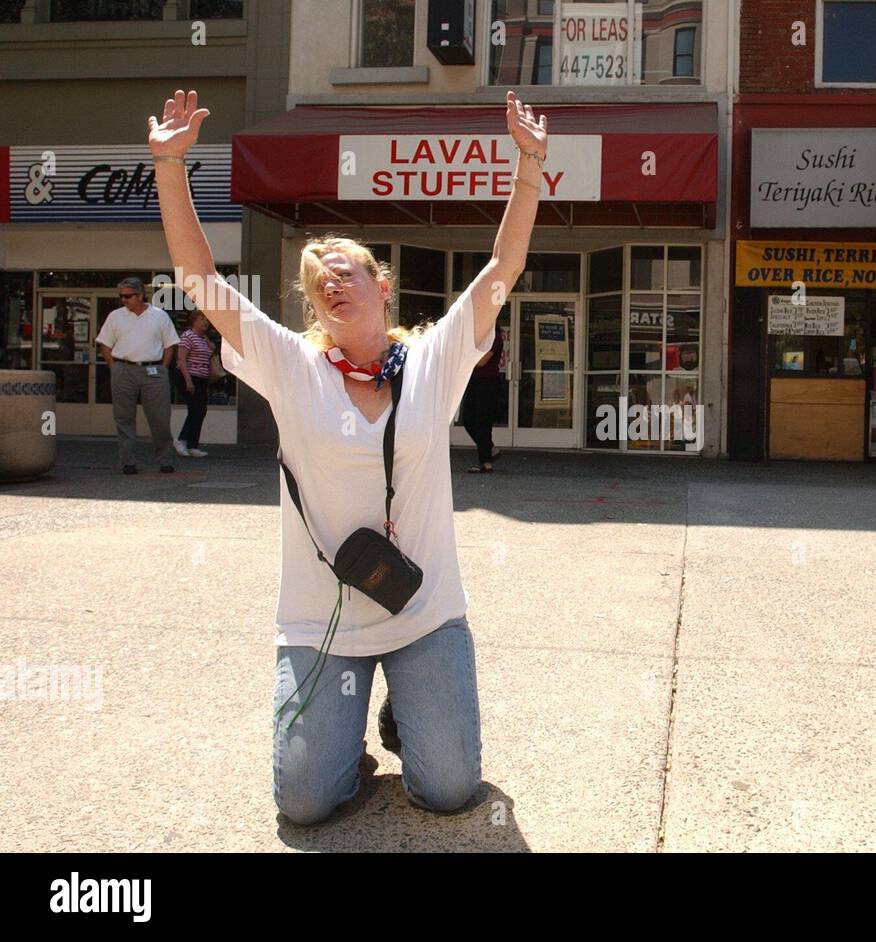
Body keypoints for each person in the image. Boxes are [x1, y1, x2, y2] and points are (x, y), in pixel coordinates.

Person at [149, 88, 548, 824]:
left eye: (346, 268)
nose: (331, 279)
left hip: (423, 611)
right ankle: (346, 740)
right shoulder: (291, 365)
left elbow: (502, 267)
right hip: (321, 620)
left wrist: (527, 164)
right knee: (304, 802)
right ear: (314, 306)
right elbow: (199, 280)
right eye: (318, 278)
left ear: (381, 287)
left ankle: (408, 712)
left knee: (449, 790)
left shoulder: (435, 358)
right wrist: (170, 167)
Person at [95, 276, 180, 475]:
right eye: (121, 296)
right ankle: (128, 461)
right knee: (124, 418)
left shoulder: (159, 316)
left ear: (140, 295)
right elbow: (105, 344)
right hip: (123, 369)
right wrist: (114, 367)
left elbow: (170, 345)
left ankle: (165, 459)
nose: (123, 300)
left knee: (160, 418)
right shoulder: (116, 316)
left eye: (128, 296)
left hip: (153, 371)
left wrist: (163, 368)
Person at [460, 324, 504, 473]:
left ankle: (486, 462)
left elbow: (481, 361)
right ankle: (490, 449)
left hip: (488, 383)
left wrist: (467, 357)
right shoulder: (479, 337)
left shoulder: (495, 337)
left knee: (482, 422)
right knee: (467, 419)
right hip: (474, 381)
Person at [175, 310, 214, 457]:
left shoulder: (203, 338)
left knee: (201, 411)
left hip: (202, 379)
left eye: (206, 320)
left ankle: (193, 445)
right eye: (201, 319)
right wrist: (188, 381)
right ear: (193, 321)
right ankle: (182, 440)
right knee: (195, 409)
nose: (205, 322)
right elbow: (182, 359)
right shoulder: (188, 336)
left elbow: (209, 355)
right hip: (190, 376)